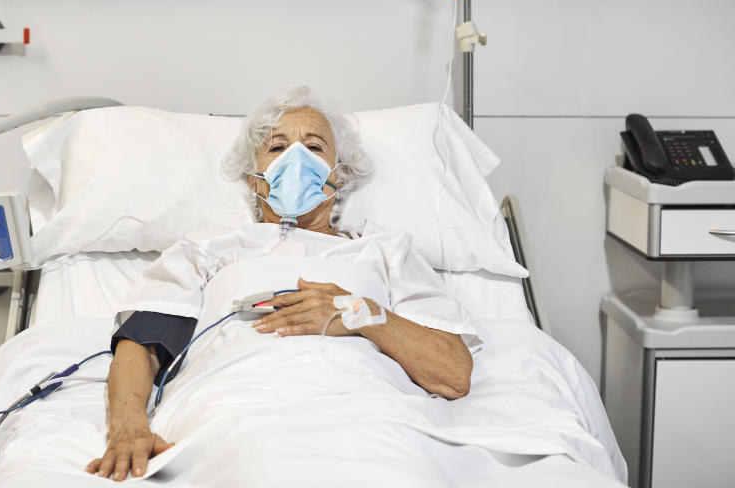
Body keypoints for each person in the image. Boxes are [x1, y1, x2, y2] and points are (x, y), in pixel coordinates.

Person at [86, 86, 478, 482]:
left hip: (366, 407)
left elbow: (453, 372)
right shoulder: (210, 248)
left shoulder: (384, 250)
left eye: (314, 147)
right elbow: (142, 346)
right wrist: (129, 426)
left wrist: (357, 313)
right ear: (255, 182)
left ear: (337, 176)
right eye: (277, 148)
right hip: (236, 406)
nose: (296, 159)